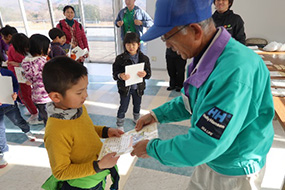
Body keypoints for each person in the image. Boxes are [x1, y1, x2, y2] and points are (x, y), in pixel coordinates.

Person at [130, 0, 274, 189]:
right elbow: (191, 100)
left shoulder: (234, 72)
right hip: (213, 159)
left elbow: (206, 142)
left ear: (195, 30)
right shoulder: (205, 57)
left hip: (234, 169)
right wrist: (157, 115)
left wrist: (152, 149)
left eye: (167, 38)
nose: (168, 46)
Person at [42, 56, 123, 190]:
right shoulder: (55, 132)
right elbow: (60, 172)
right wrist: (98, 166)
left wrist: (104, 131)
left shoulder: (76, 108)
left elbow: (85, 129)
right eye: (79, 92)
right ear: (56, 96)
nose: (85, 95)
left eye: (86, 88)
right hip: (82, 184)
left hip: (96, 173)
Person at [1, 25, 41, 125]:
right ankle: (33, 110)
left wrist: (14, 63)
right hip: (21, 76)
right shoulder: (18, 48)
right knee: (27, 94)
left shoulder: (13, 48)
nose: (2, 39)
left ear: (9, 36)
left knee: (24, 96)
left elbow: (22, 62)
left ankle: (35, 114)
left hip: (19, 77)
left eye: (3, 36)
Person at [112, 32, 151, 131]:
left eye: (134, 44)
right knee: (123, 105)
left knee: (137, 104)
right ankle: (120, 124)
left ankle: (136, 118)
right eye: (128, 44)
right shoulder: (120, 59)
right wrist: (120, 75)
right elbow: (115, 74)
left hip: (138, 88)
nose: (131, 47)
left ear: (138, 44)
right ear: (124, 45)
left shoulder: (144, 59)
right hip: (125, 88)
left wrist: (145, 74)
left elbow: (149, 74)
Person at [0, 66, 36, 168]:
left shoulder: (6, 72)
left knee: (17, 121)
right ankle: (2, 152)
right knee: (0, 129)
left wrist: (15, 93)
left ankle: (27, 131)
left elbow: (15, 85)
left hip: (10, 105)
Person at [18, 34, 51, 126]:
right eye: (48, 47)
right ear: (41, 49)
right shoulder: (42, 61)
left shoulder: (26, 62)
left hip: (37, 96)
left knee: (45, 116)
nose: (49, 49)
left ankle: (47, 128)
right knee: (50, 117)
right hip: (46, 95)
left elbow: (28, 79)